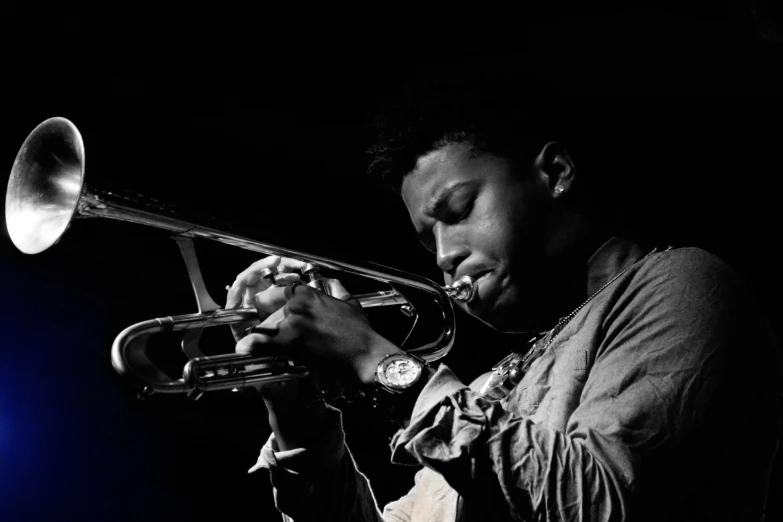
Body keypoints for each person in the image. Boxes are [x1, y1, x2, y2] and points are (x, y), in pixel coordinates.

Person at [225, 64, 783, 521]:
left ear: (556, 171)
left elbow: (599, 503)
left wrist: (380, 362)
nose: (444, 255)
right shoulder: (492, 387)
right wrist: (297, 412)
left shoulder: (681, 283)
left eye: (460, 211)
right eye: (428, 239)